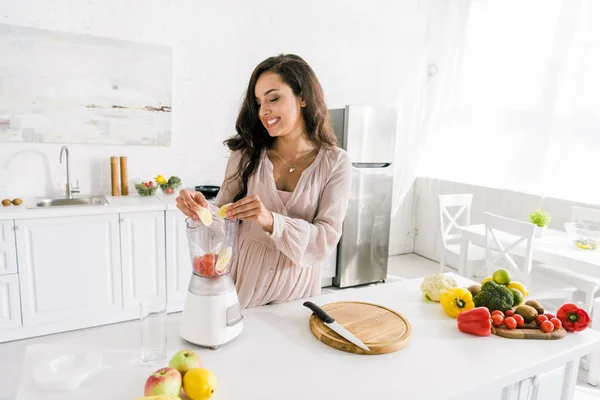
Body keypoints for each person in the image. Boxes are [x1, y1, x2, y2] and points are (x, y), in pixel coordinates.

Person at [176, 54, 352, 308]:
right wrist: (201, 210)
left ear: (303, 97)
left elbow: (325, 239)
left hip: (298, 291)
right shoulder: (246, 154)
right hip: (244, 284)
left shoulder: (335, 163)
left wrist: (271, 221)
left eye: (274, 98)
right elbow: (224, 220)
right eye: (258, 102)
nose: (263, 111)